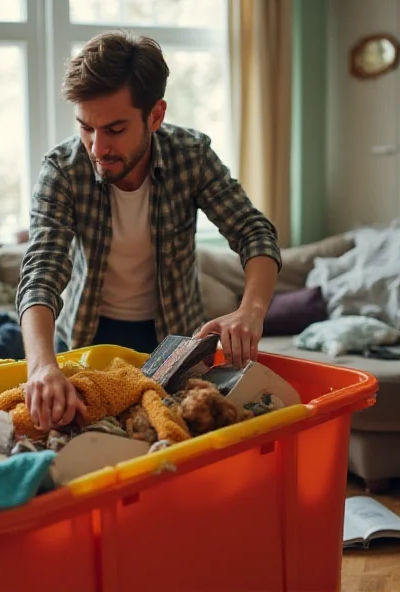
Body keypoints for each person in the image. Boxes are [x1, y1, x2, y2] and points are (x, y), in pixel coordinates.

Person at [15, 31, 282, 432]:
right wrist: (41, 367)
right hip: (89, 338)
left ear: (155, 115)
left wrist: (251, 311)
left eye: (115, 130)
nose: (97, 148)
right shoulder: (63, 170)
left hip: (174, 341)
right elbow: (42, 272)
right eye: (86, 128)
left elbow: (254, 231)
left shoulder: (190, 156)